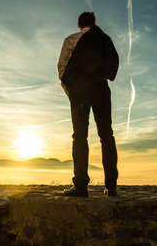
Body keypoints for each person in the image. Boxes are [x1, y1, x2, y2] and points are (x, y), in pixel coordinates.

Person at [58, 12, 119, 197]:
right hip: (101, 88)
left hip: (80, 91)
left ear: (79, 25)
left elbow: (62, 68)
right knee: (106, 135)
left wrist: (70, 90)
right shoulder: (105, 39)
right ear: (94, 23)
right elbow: (114, 62)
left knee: (80, 136)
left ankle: (81, 186)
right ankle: (111, 186)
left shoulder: (72, 39)